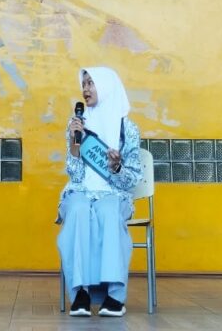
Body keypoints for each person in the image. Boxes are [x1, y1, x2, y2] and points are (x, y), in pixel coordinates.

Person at [57, 67, 143, 317]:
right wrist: (75, 144)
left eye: (91, 83)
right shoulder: (77, 125)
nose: (85, 89)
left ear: (107, 86)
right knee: (78, 210)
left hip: (114, 193)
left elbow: (131, 180)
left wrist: (116, 167)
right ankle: (80, 293)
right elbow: (74, 174)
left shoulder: (128, 129)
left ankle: (114, 295)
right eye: (84, 83)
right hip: (80, 190)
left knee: (108, 212)